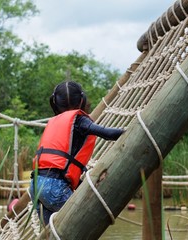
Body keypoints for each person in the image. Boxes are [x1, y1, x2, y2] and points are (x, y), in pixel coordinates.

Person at [29, 81, 124, 225]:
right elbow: (107, 133)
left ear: (54, 103)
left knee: (55, 234)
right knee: (86, 225)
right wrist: (130, 130)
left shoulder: (53, 122)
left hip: (35, 186)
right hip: (54, 188)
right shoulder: (80, 121)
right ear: (81, 100)